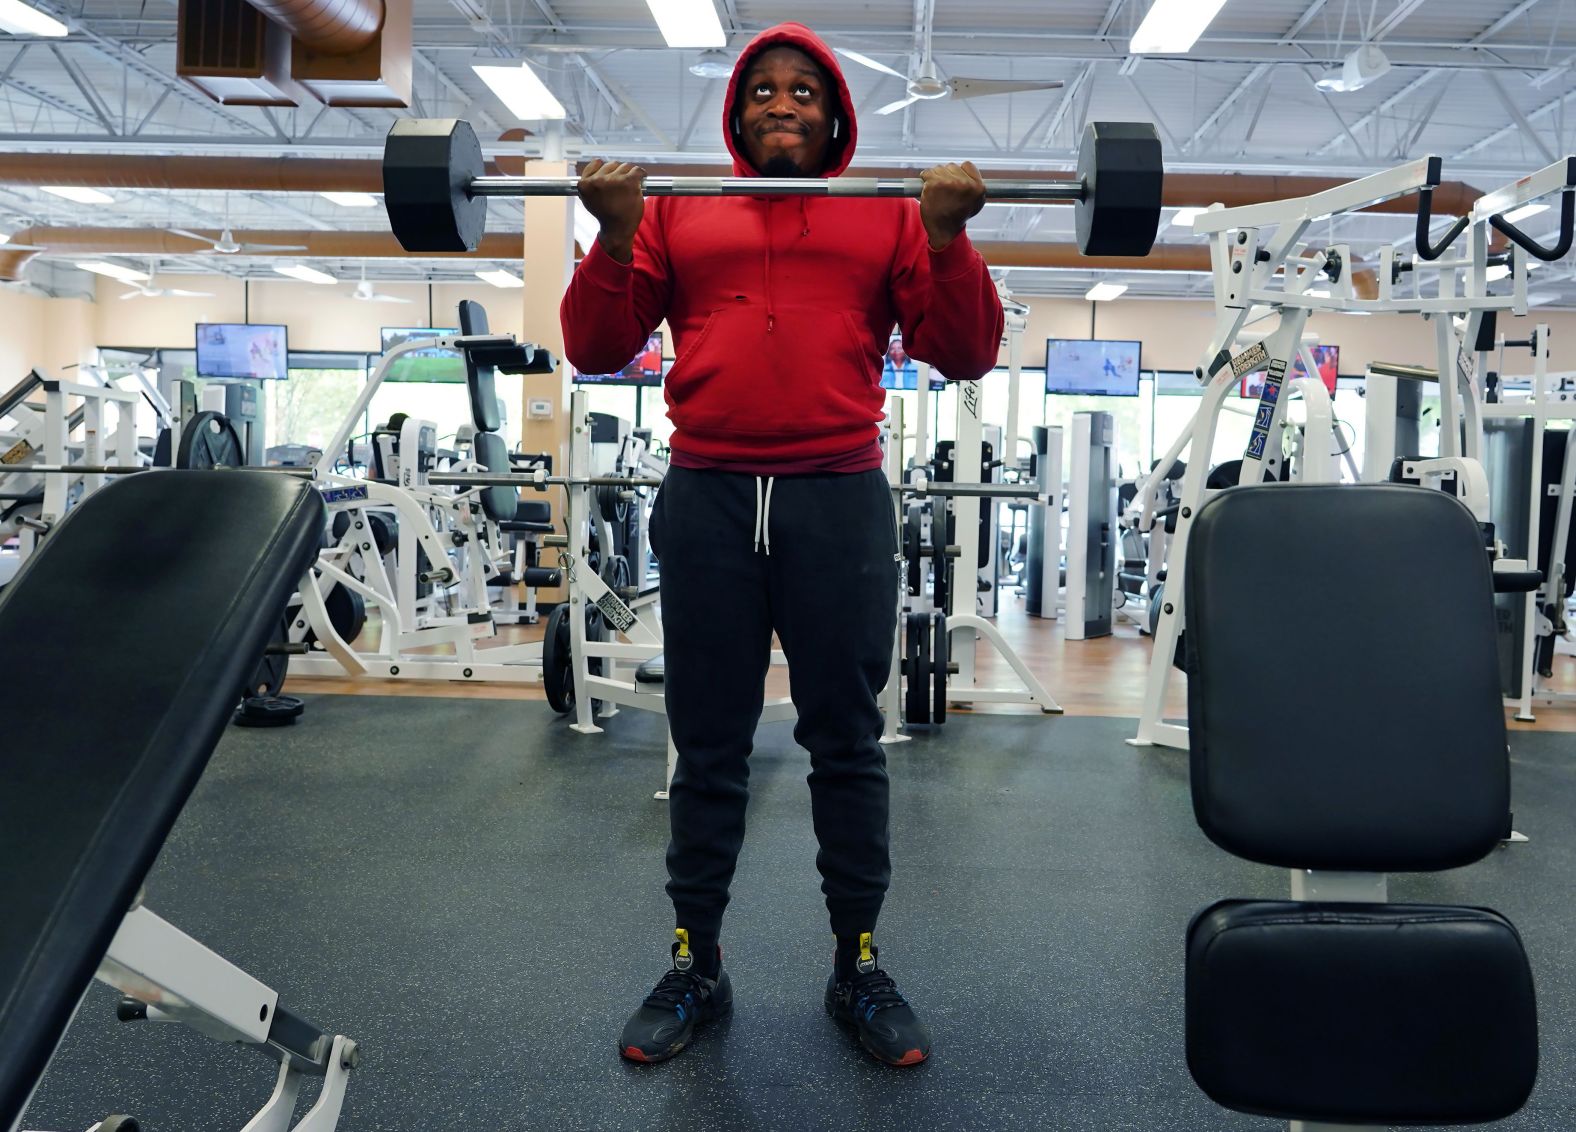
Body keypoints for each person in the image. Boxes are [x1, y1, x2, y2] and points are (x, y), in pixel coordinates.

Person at [560, 21, 1003, 1069]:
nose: (782, 105)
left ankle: (857, 963)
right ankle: (694, 962)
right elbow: (593, 345)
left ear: (835, 113)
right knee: (706, 744)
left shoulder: (888, 217)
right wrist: (613, 236)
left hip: (836, 497)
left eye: (804, 91)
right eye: (763, 90)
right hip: (708, 493)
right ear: (737, 111)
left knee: (845, 742)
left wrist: (947, 239)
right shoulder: (674, 210)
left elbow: (965, 350)